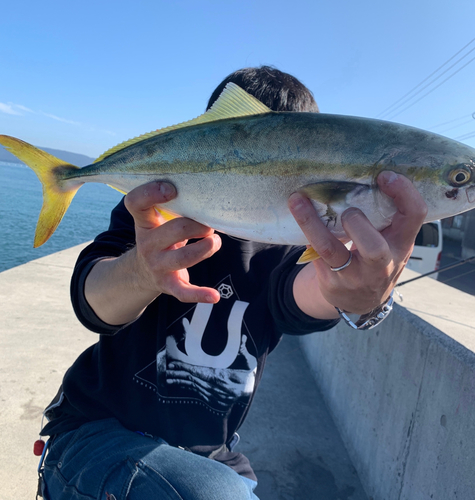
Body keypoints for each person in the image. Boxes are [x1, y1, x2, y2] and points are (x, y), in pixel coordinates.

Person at [38, 66, 427, 500]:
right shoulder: (154, 215)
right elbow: (94, 303)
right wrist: (142, 271)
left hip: (216, 460)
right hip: (96, 433)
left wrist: (356, 292)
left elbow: (303, 296)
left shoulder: (292, 244)